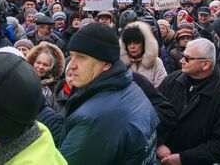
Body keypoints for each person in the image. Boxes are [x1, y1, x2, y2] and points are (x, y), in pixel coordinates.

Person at [55, 22, 159, 164]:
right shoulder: (130, 87)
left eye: (81, 57)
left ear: (106, 65)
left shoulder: (96, 118)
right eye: (72, 55)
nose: (71, 65)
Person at [158, 38, 220, 165]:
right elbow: (154, 114)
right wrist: (158, 144)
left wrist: (184, 158)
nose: (181, 61)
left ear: (206, 64)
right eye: (182, 56)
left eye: (187, 58)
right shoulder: (171, 81)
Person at [120, 21, 167, 88]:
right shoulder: (121, 64)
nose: (132, 46)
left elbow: (161, 86)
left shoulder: (156, 62)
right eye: (129, 43)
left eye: (136, 43)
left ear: (145, 44)